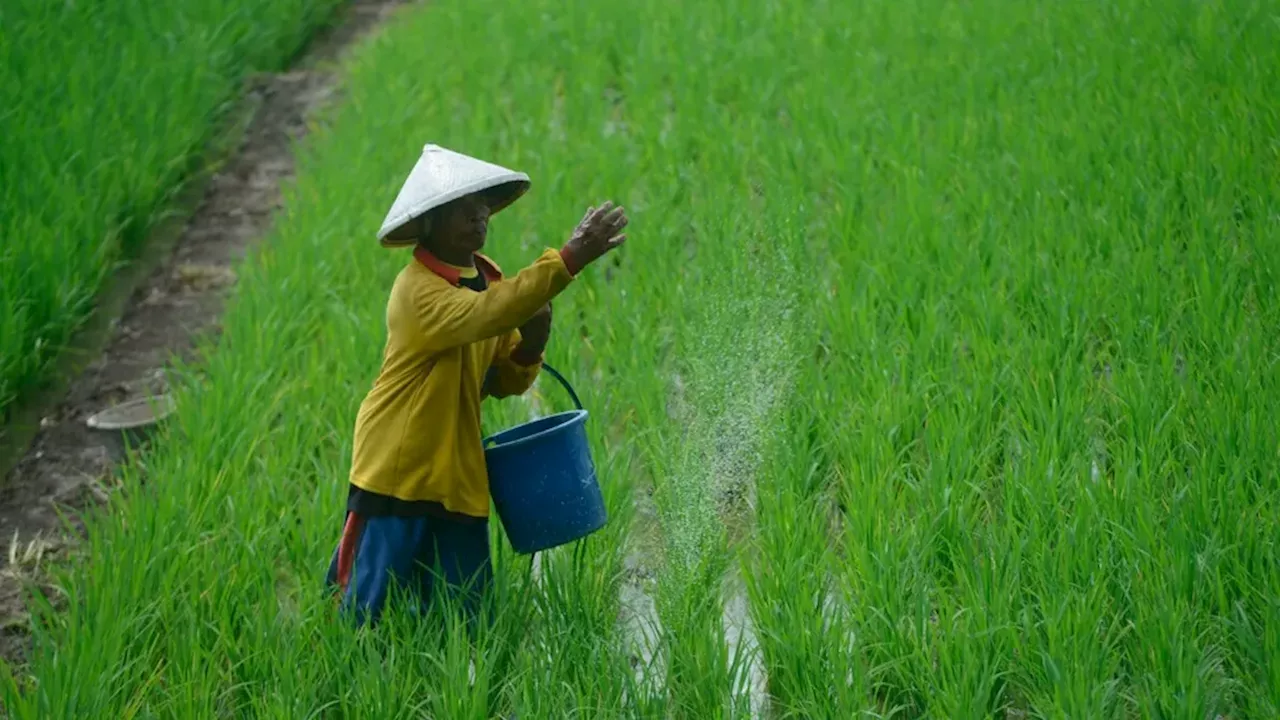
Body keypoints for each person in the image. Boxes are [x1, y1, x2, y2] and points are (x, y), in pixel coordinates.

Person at [324, 145, 628, 626]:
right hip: (399, 468)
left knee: (465, 620)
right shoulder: (417, 290)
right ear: (428, 222)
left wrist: (532, 344)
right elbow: (486, 315)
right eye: (460, 206)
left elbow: (502, 379)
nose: (478, 213)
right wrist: (568, 259)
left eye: (482, 202)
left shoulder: (486, 280)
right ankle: (352, 691)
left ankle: (459, 697)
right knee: (367, 612)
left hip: (458, 471)